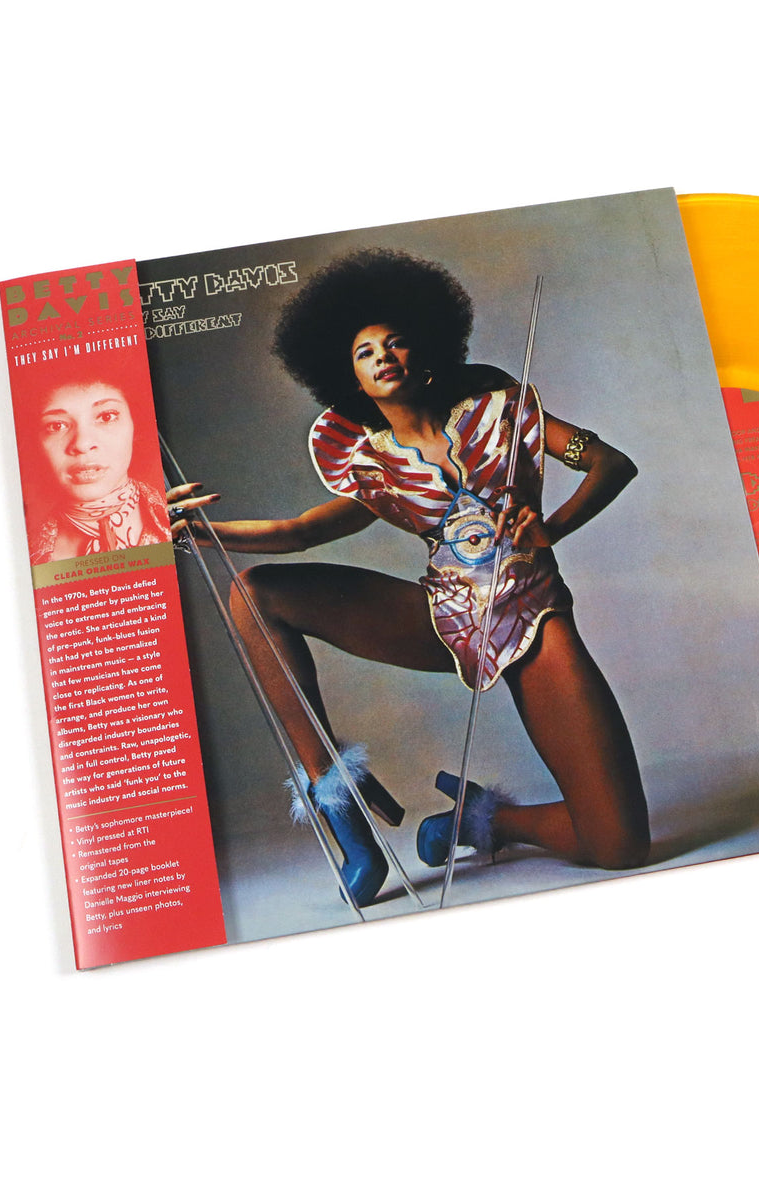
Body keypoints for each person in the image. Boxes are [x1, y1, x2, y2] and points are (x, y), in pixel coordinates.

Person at [170, 248, 650, 906]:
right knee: (255, 595)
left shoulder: (501, 410)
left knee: (619, 845)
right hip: (439, 619)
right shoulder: (373, 466)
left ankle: (482, 821)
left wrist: (552, 528)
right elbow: (300, 531)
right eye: (364, 352)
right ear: (351, 378)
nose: (383, 357)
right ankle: (341, 804)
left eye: (394, 342)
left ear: (424, 350)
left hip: (534, 620)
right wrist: (197, 532)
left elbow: (610, 463)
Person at [28, 368, 170, 564]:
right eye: (56, 426)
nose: (82, 444)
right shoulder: (27, 555)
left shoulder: (185, 525)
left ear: (136, 424)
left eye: (106, 417)